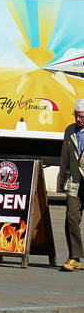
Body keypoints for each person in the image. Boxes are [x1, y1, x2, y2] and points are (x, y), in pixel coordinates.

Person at [56, 98, 84, 270]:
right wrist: (61, 179)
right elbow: (65, 156)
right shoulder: (69, 131)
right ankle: (74, 257)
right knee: (71, 218)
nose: (79, 120)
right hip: (75, 182)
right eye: (77, 116)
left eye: (82, 117)